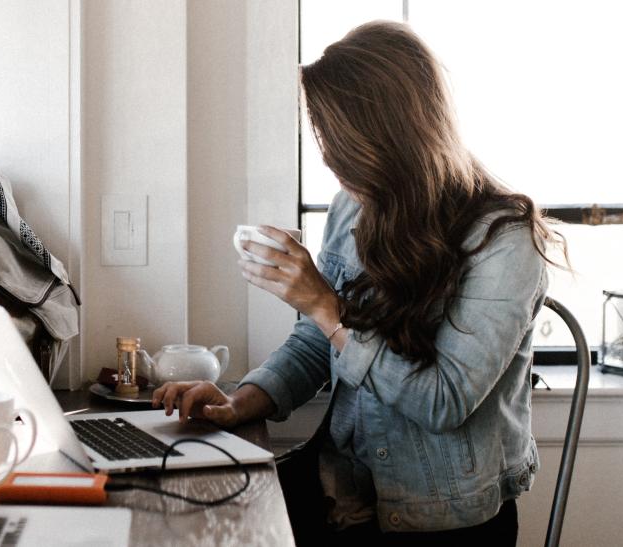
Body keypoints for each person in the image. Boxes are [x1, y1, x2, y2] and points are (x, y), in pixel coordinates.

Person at [152, 20, 566, 546]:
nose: (329, 158)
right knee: (194, 519)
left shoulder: (504, 242)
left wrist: (326, 307)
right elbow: (316, 340)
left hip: (440, 517)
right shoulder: (357, 205)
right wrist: (241, 401)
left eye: (339, 143)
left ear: (392, 137)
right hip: (342, 486)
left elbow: (443, 402)